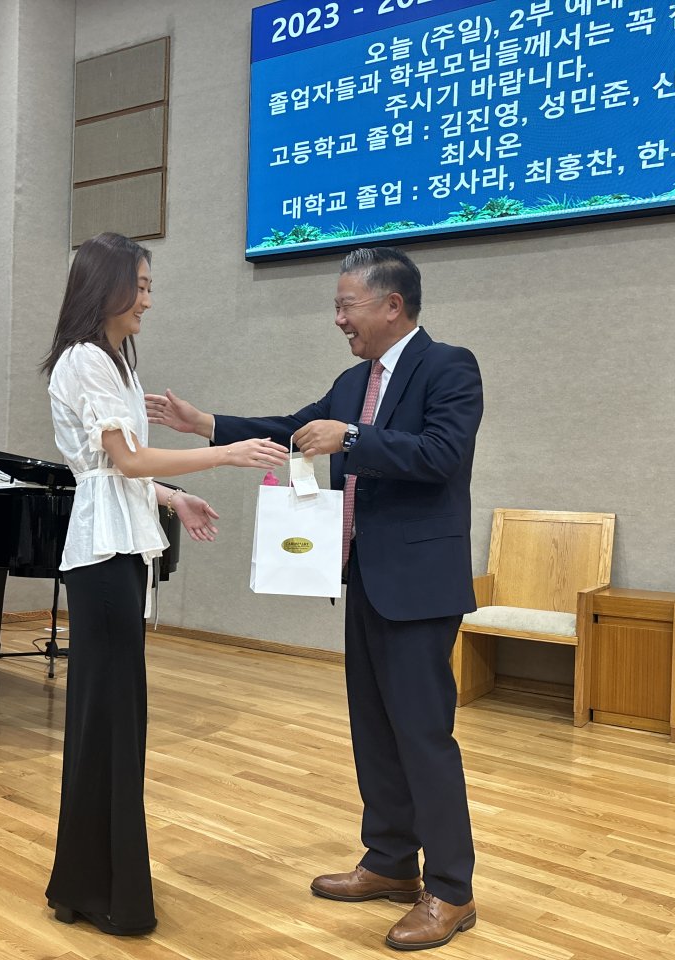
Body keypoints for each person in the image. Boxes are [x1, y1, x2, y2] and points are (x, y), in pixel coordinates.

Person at [146, 246, 482, 951]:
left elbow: (441, 455)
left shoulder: (450, 366)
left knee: (423, 734)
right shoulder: (353, 380)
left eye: (345, 305)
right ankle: (391, 861)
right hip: (362, 577)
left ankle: (451, 889)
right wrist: (204, 422)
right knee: (374, 728)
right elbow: (292, 429)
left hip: (420, 586)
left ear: (392, 305)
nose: (338, 319)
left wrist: (353, 436)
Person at [40, 232, 288, 936]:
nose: (148, 300)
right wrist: (224, 454)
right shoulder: (86, 359)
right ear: (107, 287)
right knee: (109, 719)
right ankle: (97, 886)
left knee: (115, 720)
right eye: (141, 286)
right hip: (102, 555)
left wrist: (175, 497)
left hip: (115, 548)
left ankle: (90, 883)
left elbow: (117, 471)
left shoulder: (112, 359)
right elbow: (123, 463)